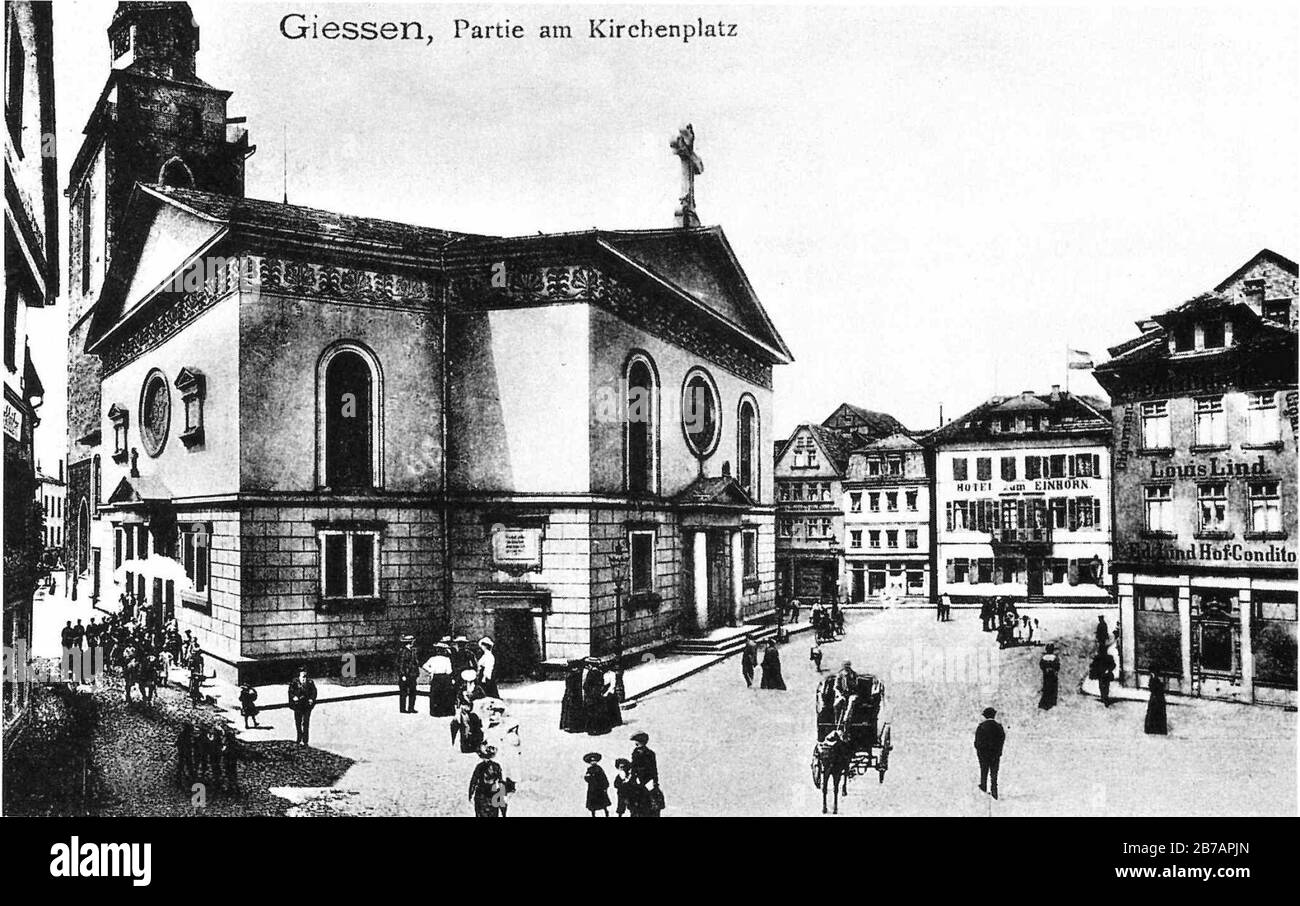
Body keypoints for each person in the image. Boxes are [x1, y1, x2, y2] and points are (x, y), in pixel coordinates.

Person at [974, 707, 1006, 799]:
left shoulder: (981, 726)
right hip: (995, 754)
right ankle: (994, 792)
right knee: (994, 774)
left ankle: (983, 788)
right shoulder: (999, 727)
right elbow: (1002, 739)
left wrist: (980, 752)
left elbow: (977, 742)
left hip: (983, 754)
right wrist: (999, 751)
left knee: (983, 772)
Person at [629, 731, 661, 817]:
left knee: (646, 803)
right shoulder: (639, 753)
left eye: (637, 741)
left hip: (645, 780)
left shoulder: (645, 753)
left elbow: (652, 769)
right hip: (642, 780)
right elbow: (634, 767)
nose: (636, 743)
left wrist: (654, 781)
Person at [468, 744, 505, 817]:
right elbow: (501, 782)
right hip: (493, 794)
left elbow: (473, 781)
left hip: (481, 795)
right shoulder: (497, 766)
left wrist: (470, 794)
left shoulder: (479, 767)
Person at [424, 641, 457, 717]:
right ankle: (445, 711)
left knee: (435, 694)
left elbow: (425, 665)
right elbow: (449, 671)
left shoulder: (432, 659)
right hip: (445, 678)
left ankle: (435, 712)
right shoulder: (446, 659)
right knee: (444, 694)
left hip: (436, 677)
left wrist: (431, 670)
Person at [288, 665, 318, 746]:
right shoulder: (294, 682)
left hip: (307, 705)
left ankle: (305, 740)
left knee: (306, 722)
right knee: (298, 722)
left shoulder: (310, 682)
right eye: (302, 672)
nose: (304, 673)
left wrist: (312, 699)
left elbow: (314, 692)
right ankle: (298, 738)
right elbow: (290, 691)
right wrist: (294, 697)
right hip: (298, 705)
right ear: (299, 673)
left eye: (305, 672)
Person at [559, 658, 587, 732]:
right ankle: (575, 726)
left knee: (570, 711)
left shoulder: (570, 674)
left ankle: (569, 725)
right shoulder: (576, 674)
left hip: (571, 694)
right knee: (574, 710)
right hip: (575, 694)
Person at [584, 659, 611, 734]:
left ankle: (593, 729)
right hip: (598, 694)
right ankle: (601, 728)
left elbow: (586, 685)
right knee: (599, 711)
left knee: (592, 711)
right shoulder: (600, 672)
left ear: (591, 665)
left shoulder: (591, 673)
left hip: (591, 695)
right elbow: (603, 683)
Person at [396, 634, 420, 714]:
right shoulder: (403, 651)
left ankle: (411, 708)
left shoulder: (413, 650)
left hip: (412, 674)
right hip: (406, 675)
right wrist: (402, 674)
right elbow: (401, 664)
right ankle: (403, 709)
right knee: (403, 692)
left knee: (413, 692)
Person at [583, 752, 611, 817]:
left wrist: (605, 786)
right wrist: (588, 777)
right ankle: (593, 815)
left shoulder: (599, 769)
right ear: (590, 762)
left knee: (603, 803)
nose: (593, 762)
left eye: (594, 761)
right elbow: (587, 778)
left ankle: (606, 813)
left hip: (600, 788)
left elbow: (604, 778)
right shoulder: (589, 770)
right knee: (593, 804)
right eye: (591, 761)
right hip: (592, 789)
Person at [1038, 644, 1060, 710]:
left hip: (1046, 674)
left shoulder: (1044, 657)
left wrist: (1045, 669)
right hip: (1052, 675)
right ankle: (1052, 701)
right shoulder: (1055, 657)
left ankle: (1045, 701)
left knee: (1046, 687)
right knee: (1053, 688)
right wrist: (1055, 670)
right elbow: (1057, 666)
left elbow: (1041, 665)